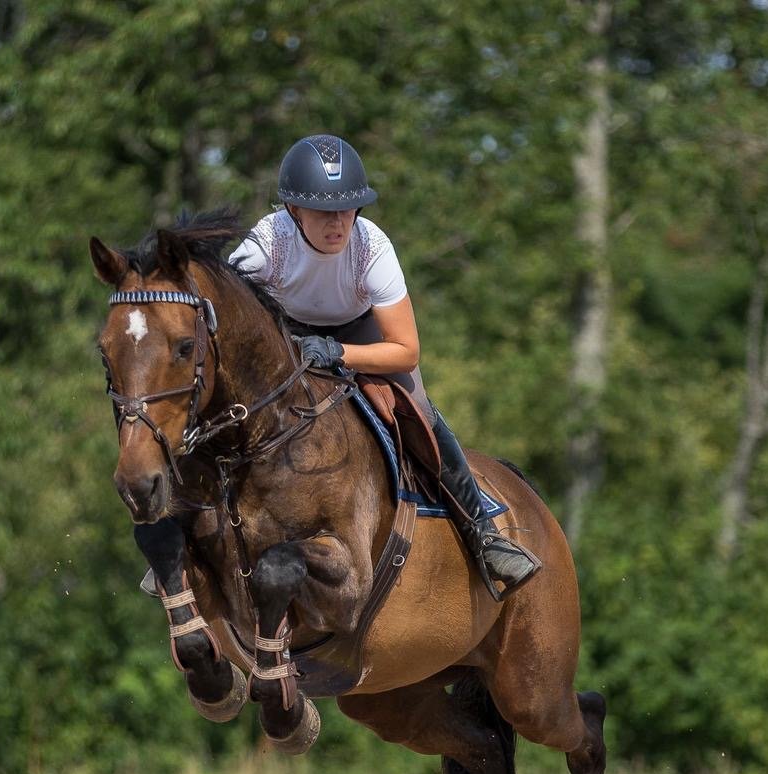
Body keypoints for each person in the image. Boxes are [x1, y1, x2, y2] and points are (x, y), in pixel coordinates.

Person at [228, 133, 540, 598]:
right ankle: (189, 523)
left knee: (421, 412)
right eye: (323, 211)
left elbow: (405, 350)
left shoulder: (372, 247)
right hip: (284, 337)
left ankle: (483, 533)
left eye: (347, 208)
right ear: (293, 211)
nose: (338, 222)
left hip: (360, 336)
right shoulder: (265, 244)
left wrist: (338, 354)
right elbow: (230, 326)